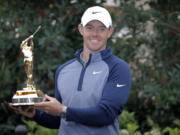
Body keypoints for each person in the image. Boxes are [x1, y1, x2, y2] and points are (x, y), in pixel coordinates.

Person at [12, 6, 131, 135]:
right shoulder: (63, 70)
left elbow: (106, 114)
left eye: (101, 29)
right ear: (81, 29)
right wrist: (35, 114)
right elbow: (59, 120)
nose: (95, 34)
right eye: (89, 28)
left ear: (110, 32)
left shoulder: (119, 68)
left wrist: (62, 110)